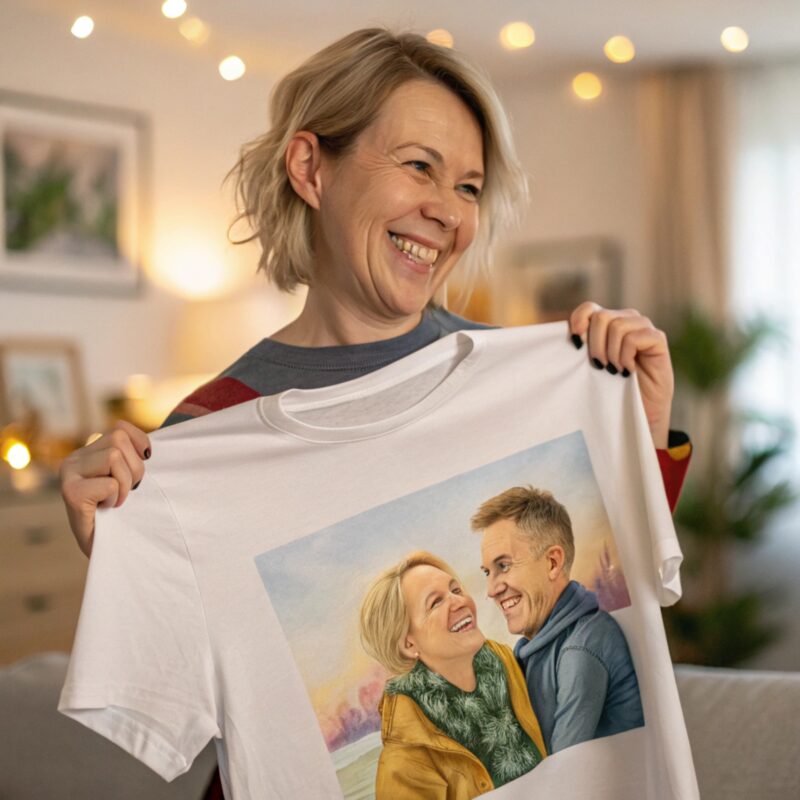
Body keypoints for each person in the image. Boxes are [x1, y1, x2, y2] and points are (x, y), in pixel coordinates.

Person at [56, 27, 689, 797]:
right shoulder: (195, 442)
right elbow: (215, 719)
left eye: (468, 187)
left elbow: (622, 597)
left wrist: (643, 429)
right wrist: (129, 555)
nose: (448, 213)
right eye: (419, 166)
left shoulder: (534, 383)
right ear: (310, 168)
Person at [360, 551, 546, 799]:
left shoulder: (511, 665)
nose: (459, 602)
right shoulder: (405, 758)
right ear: (409, 645)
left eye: (456, 590)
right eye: (436, 603)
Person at [474, 485, 644, 754]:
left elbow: (563, 777)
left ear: (552, 563)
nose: (492, 590)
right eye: (488, 572)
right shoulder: (536, 650)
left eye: (503, 566)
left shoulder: (582, 648)